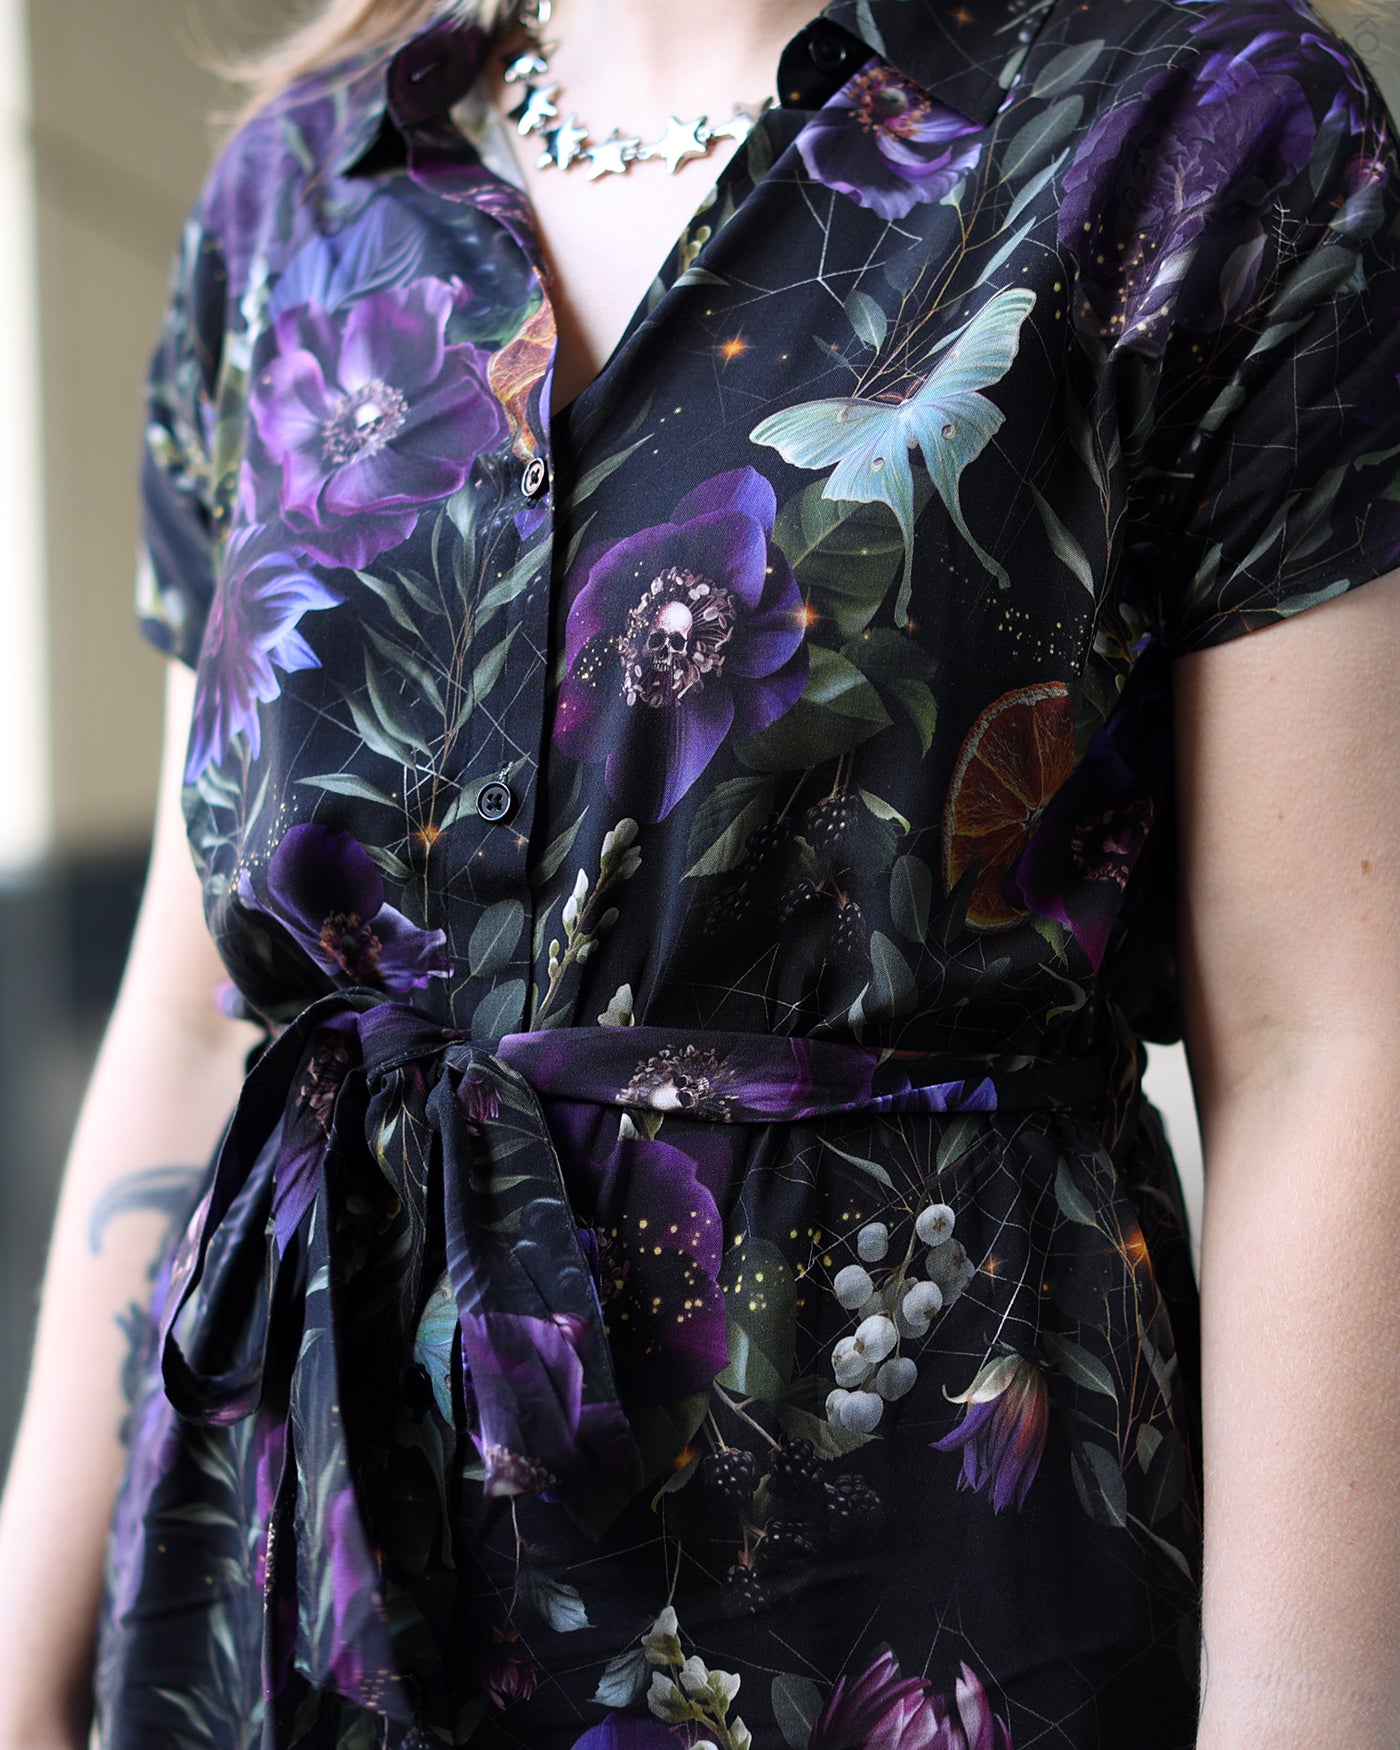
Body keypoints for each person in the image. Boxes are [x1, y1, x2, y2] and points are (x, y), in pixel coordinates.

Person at [3, 0, 1400, 1741]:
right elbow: (203, 1008)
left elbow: (1326, 1045)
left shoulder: (1212, 131)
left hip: (894, 1606)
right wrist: (22, 1672)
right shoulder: (297, 187)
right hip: (286, 1606)